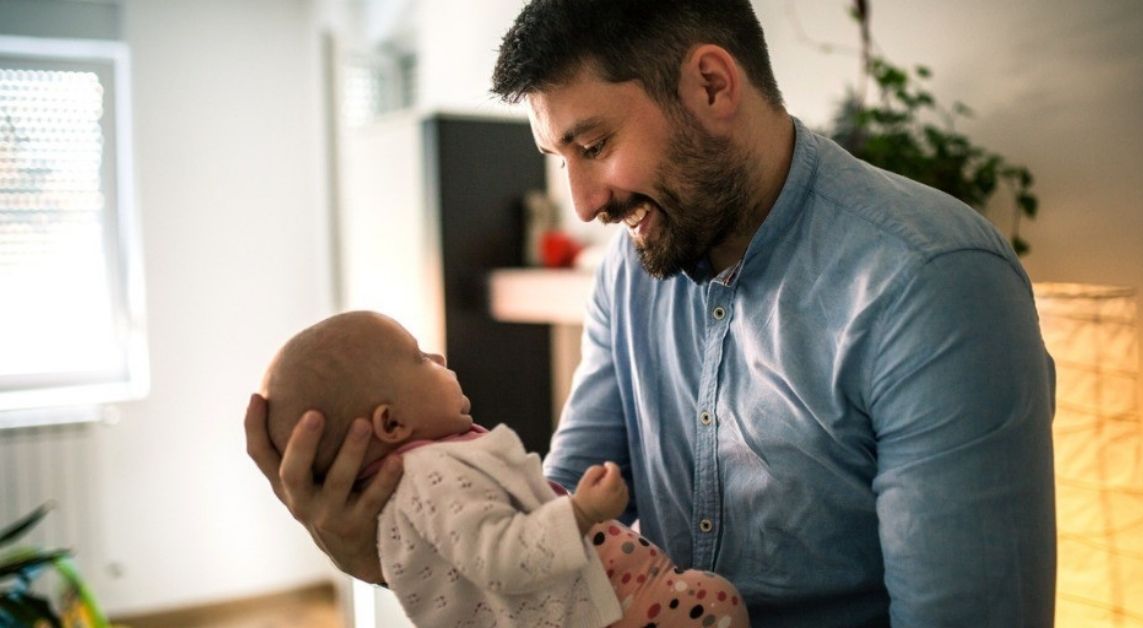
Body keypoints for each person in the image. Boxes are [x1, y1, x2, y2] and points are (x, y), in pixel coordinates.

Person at [246, 1, 1057, 625]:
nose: (584, 202)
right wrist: (399, 548)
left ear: (711, 85)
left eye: (593, 146)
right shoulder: (628, 274)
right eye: (559, 160)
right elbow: (553, 515)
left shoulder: (933, 285)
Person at [258, 310, 749, 628]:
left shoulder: (436, 469)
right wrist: (580, 512)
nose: (439, 356)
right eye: (418, 357)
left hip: (619, 595)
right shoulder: (433, 475)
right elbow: (500, 554)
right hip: (613, 607)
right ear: (391, 422)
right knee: (715, 606)